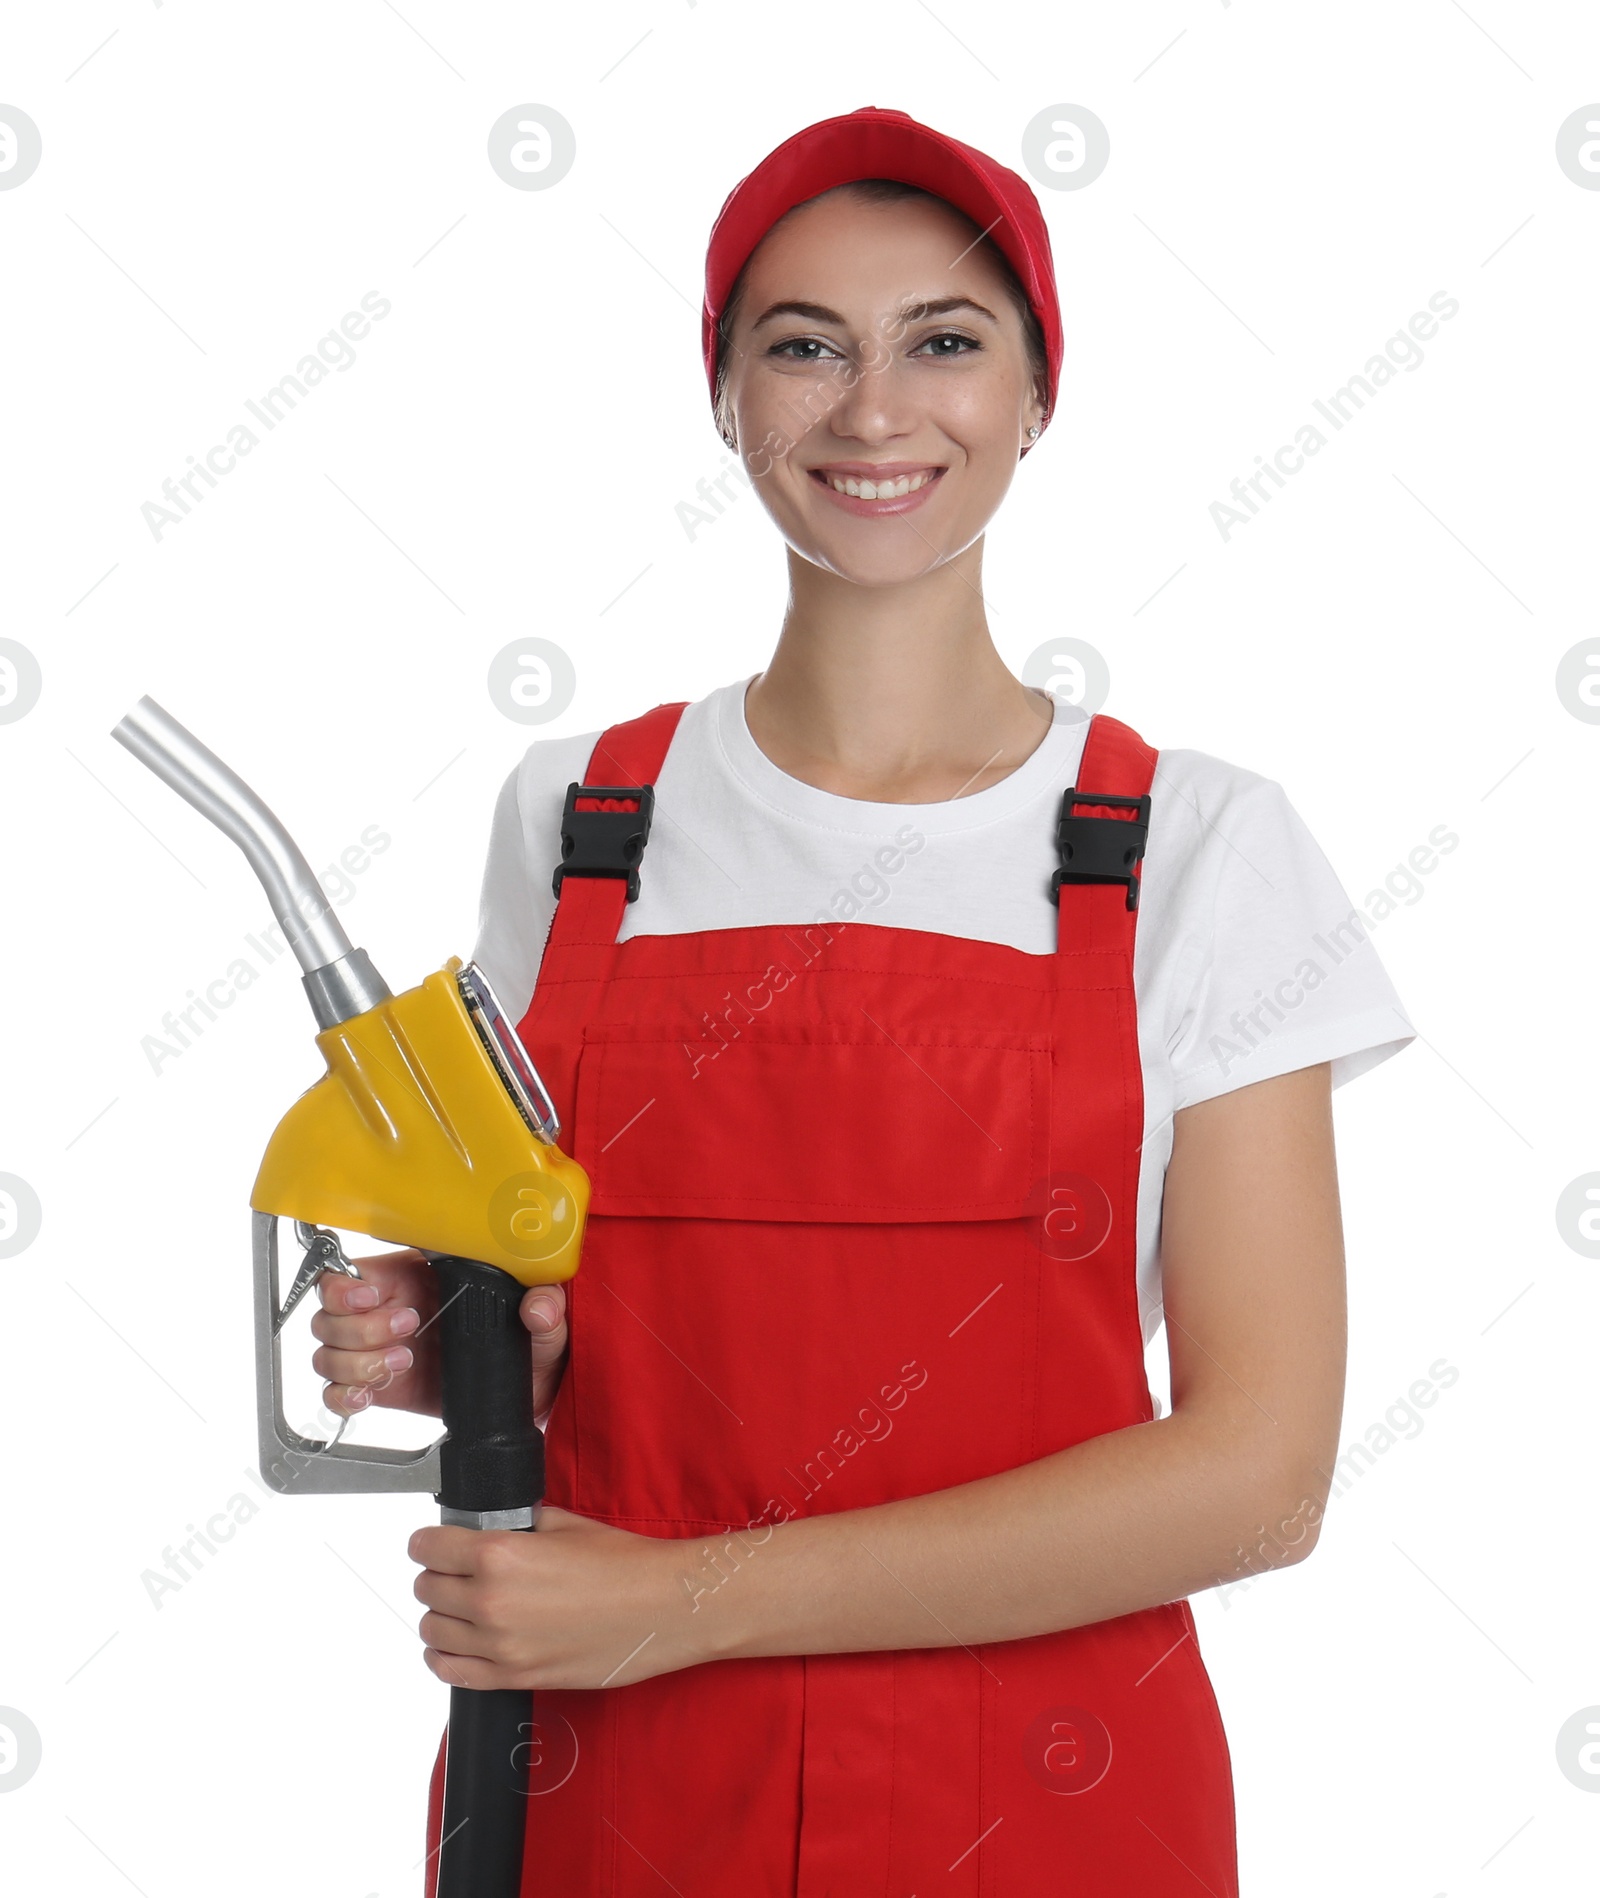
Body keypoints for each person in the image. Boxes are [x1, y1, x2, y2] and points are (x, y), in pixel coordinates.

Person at [311, 106, 1415, 1896]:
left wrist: (683, 1601)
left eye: (946, 343)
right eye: (803, 344)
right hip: (615, 1794)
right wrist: (461, 1349)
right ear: (728, 396)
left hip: (1047, 1809)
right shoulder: (584, 825)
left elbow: (1257, 1476)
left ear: (1039, 395)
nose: (874, 409)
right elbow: (599, 1301)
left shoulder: (1196, 850)